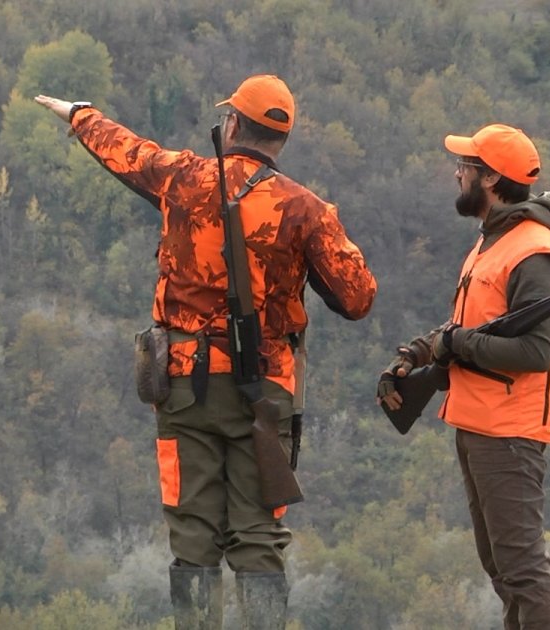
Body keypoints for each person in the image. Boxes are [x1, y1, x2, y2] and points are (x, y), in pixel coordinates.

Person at [36, 75, 376, 630]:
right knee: (259, 537)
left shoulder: (184, 179)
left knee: (193, 534)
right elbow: (357, 298)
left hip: (185, 386)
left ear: (234, 125)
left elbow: (127, 151)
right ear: (279, 141)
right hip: (265, 392)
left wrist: (79, 114)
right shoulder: (305, 209)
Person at [379, 124, 550, 630]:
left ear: (490, 178)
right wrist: (418, 352)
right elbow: (471, 324)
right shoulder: (495, 240)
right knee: (501, 567)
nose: (457, 172)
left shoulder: (533, 250)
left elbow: (535, 351)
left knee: (523, 570)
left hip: (510, 430)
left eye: (465, 166)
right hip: (482, 423)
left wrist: (455, 345)